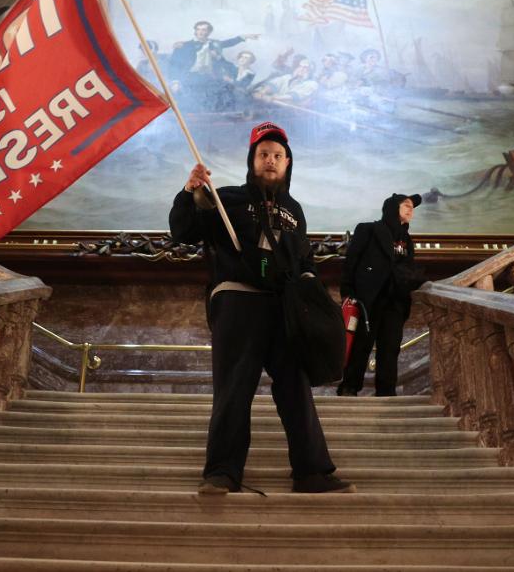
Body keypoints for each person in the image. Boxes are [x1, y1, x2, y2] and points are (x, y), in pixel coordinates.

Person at [169, 121, 356, 495]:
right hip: (238, 300)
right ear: (252, 160)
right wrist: (190, 192)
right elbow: (184, 231)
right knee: (234, 388)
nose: (270, 160)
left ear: (287, 163)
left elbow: (305, 260)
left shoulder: (294, 210)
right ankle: (222, 472)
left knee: (295, 388)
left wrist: (312, 294)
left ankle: (311, 472)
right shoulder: (226, 199)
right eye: (263, 154)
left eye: (277, 155)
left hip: (284, 307)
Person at [337, 194, 426, 397]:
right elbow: (351, 262)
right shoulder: (368, 229)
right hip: (369, 299)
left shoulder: (406, 240)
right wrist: (348, 293)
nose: (411, 210)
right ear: (392, 207)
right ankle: (349, 388)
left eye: (412, 207)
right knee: (361, 345)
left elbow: (408, 269)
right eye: (406, 205)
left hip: (395, 301)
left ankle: (386, 393)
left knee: (391, 347)